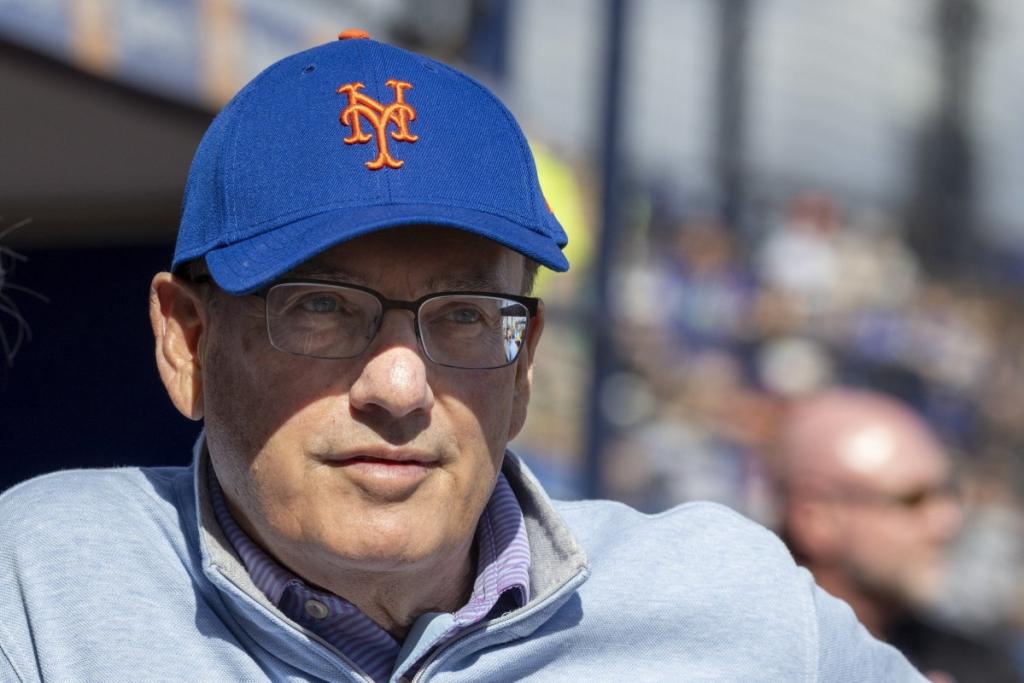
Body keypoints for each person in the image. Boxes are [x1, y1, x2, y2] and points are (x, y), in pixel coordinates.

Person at [0, 32, 925, 682]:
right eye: (320, 307)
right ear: (187, 341)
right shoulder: (37, 591)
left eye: (466, 316)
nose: (401, 385)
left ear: (525, 367)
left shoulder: (736, 608)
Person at [775, 387, 1021, 683]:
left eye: (947, 493)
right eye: (912, 500)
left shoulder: (978, 667)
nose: (947, 522)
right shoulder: (743, 654)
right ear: (816, 519)